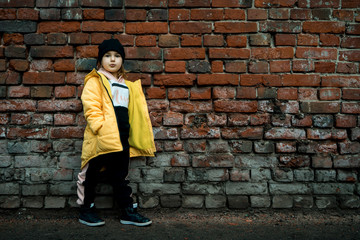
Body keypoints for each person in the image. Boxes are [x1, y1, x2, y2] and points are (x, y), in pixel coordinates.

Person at [76, 38, 156, 227]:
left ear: (122, 60)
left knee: (120, 175)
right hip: (101, 137)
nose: (112, 60)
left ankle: (127, 211)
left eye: (117, 56)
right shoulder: (96, 81)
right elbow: (91, 107)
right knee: (91, 173)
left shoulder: (125, 84)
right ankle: (86, 209)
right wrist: (99, 128)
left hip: (121, 138)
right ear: (100, 60)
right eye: (107, 56)